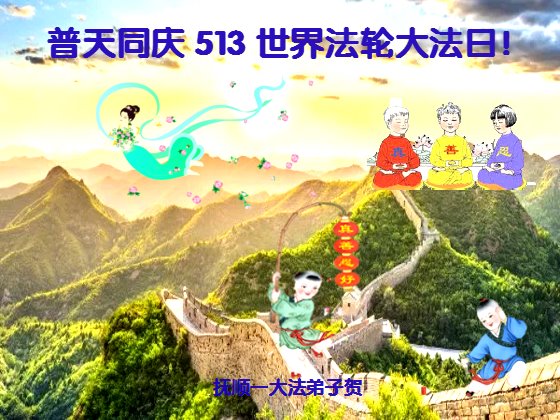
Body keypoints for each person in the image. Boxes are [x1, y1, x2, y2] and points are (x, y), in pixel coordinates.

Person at [268, 271, 333, 378]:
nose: (308, 290)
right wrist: (274, 284)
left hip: (299, 335)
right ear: (295, 285)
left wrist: (276, 301)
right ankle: (293, 373)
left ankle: (315, 350)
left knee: (325, 340)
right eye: (304, 286)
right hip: (287, 336)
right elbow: (282, 297)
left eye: (314, 288)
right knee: (289, 358)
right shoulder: (292, 299)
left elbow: (290, 310)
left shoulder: (308, 304)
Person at [463, 298, 527, 397]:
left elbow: (520, 332)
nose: (488, 321)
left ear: (499, 312)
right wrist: (468, 359)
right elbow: (479, 350)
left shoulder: (508, 328)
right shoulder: (486, 338)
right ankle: (471, 390)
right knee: (481, 377)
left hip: (511, 360)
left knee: (520, 365)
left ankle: (513, 383)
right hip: (494, 365)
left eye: (490, 316)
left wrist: (505, 319)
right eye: (484, 320)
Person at [426, 102, 474, 189]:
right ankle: (454, 178)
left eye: (454, 120)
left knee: (467, 175)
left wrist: (458, 163)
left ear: (459, 121)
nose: (450, 123)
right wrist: (445, 164)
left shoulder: (462, 141)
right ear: (439, 122)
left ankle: (453, 178)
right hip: (444, 170)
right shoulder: (438, 141)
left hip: (459, 169)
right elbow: (433, 160)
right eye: (445, 120)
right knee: (433, 175)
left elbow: (469, 160)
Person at [372, 105, 422, 190]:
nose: (403, 124)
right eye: (399, 122)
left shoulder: (406, 142)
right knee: (378, 179)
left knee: (417, 177)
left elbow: (415, 159)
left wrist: (407, 165)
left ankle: (398, 178)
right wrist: (392, 166)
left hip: (405, 171)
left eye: (405, 121)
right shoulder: (385, 143)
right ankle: (400, 178)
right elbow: (380, 162)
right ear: (389, 124)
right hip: (390, 172)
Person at [477, 105, 524, 190]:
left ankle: (495, 177)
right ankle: (495, 176)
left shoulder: (516, 141)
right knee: (481, 174)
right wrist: (491, 164)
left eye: (500, 122)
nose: (497, 125)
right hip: (497, 171)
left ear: (509, 120)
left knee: (509, 180)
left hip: (512, 174)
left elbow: (518, 163)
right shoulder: (500, 140)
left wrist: (503, 166)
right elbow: (493, 156)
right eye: (494, 123)